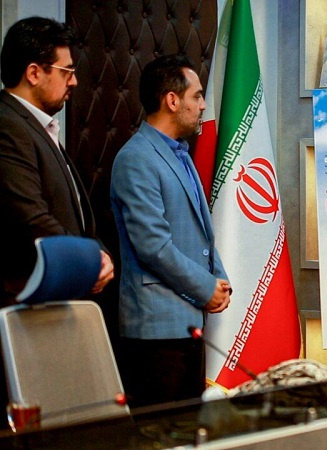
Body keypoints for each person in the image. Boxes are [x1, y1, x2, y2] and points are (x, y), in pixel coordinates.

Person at [110, 54, 231, 407]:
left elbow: (199, 232)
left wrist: (219, 280)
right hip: (155, 333)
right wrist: (205, 288)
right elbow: (153, 246)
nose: (203, 105)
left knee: (189, 428)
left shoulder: (180, 153)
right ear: (172, 100)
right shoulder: (136, 158)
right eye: (197, 96)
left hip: (187, 325)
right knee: (161, 431)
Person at [0, 17, 114, 305]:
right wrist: (90, 259)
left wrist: (100, 253)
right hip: (27, 301)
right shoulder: (7, 124)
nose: (74, 81)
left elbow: (75, 217)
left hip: (59, 296)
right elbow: (30, 218)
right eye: (67, 71)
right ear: (34, 73)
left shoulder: (36, 126)